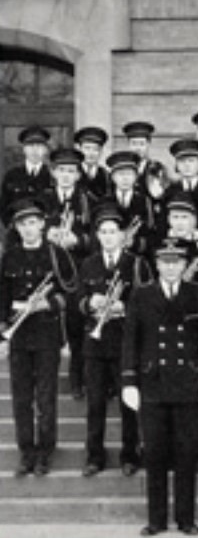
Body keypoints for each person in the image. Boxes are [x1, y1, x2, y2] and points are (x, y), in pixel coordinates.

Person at [121, 237, 198, 536]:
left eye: (176, 261)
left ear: (185, 264)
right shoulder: (141, 295)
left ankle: (186, 519)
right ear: (157, 264)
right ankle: (157, 520)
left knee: (187, 453)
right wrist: (129, 380)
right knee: (154, 454)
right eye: (165, 261)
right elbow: (130, 341)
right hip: (152, 384)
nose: (171, 266)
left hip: (187, 384)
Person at [0, 199, 78, 477]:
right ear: (17, 228)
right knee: (21, 398)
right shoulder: (8, 257)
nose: (28, 229)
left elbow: (72, 288)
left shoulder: (56, 254)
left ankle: (46, 451)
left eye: (33, 223)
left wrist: (50, 304)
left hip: (46, 332)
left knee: (46, 397)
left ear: (43, 224)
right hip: (19, 333)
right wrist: (2, 333)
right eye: (23, 224)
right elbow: (2, 296)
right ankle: (26, 452)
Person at [78, 205, 152, 477]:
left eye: (113, 232)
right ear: (97, 236)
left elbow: (148, 301)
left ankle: (129, 455)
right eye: (104, 232)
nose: (109, 237)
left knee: (128, 403)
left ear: (123, 235)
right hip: (95, 344)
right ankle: (94, 456)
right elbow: (78, 300)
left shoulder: (137, 263)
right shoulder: (88, 264)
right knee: (95, 403)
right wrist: (90, 303)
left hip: (125, 343)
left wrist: (124, 307)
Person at [39, 147, 94, 401]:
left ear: (79, 175)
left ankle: (78, 378)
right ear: (53, 172)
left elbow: (101, 236)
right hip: (49, 271)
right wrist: (45, 235)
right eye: (61, 170)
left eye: (71, 171)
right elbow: (24, 232)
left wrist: (78, 240)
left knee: (77, 326)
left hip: (78, 273)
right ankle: (44, 381)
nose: (66, 175)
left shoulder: (89, 201)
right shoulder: (42, 200)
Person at [105, 150, 155, 256]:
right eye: (120, 174)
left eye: (129, 174)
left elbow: (152, 234)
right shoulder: (104, 202)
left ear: (136, 177)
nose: (125, 178)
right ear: (113, 177)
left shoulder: (145, 201)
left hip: (138, 256)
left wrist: (135, 243)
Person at [0, 126, 52, 225]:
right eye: (30, 145)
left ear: (45, 150)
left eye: (39, 146)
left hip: (45, 233)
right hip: (17, 230)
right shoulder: (12, 175)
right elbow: (4, 207)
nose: (35, 150)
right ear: (23, 149)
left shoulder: (53, 175)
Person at [74, 126, 111, 198]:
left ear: (101, 152)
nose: (91, 153)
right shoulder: (73, 171)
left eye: (95, 149)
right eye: (87, 148)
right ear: (79, 149)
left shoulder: (106, 175)